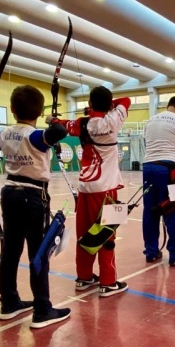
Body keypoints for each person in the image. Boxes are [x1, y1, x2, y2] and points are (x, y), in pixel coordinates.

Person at [0, 85, 71, 329]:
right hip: (33, 197)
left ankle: (9, 302)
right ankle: (42, 309)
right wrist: (52, 119)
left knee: (10, 250)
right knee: (39, 252)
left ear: (12, 110)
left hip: (10, 194)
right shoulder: (35, 136)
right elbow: (59, 131)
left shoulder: (3, 134)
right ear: (38, 111)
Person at [57, 86, 131, 297]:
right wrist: (105, 107)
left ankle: (84, 277)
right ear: (109, 105)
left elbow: (61, 125)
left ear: (90, 104)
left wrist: (56, 120)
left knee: (85, 233)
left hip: (85, 189)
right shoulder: (114, 119)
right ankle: (108, 282)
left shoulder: (83, 124)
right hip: (107, 190)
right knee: (107, 235)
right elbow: (126, 100)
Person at [142, 95, 175, 266]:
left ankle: (151, 252)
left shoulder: (150, 121)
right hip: (167, 171)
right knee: (172, 210)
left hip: (148, 168)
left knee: (150, 211)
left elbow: (147, 145)